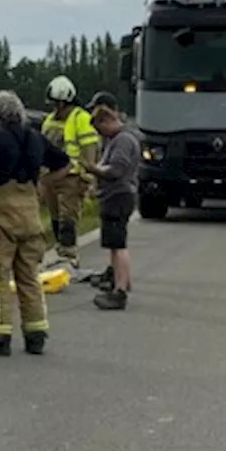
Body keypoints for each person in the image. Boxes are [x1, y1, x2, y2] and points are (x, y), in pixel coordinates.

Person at [0, 90, 71, 357]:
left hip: (2, 208)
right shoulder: (35, 137)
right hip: (30, 210)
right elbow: (65, 164)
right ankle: (36, 334)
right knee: (29, 275)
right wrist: (43, 185)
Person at [39, 75, 100, 267]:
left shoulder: (81, 118)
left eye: (59, 103)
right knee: (55, 215)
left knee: (68, 216)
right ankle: (61, 248)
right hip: (51, 175)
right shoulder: (49, 120)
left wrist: (89, 178)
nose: (56, 108)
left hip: (72, 176)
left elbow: (90, 148)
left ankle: (69, 252)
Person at [87, 104, 140, 309]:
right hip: (116, 196)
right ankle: (122, 282)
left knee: (118, 245)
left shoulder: (123, 141)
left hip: (118, 196)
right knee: (115, 244)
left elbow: (116, 170)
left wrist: (94, 169)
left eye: (100, 130)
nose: (101, 135)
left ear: (106, 121)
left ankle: (120, 290)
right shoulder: (118, 139)